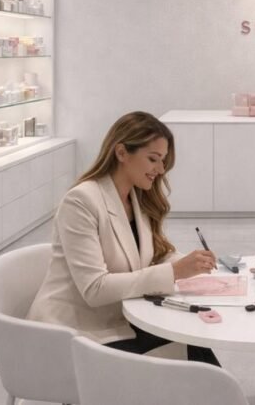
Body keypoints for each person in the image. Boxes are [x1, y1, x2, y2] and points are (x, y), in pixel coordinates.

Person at [26, 111, 220, 364]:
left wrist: (192, 264)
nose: (160, 169)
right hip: (75, 332)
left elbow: (151, 255)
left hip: (117, 322)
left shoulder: (137, 199)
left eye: (163, 161)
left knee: (194, 342)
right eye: (153, 159)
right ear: (121, 153)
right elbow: (95, 289)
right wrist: (175, 271)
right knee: (188, 355)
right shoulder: (81, 201)